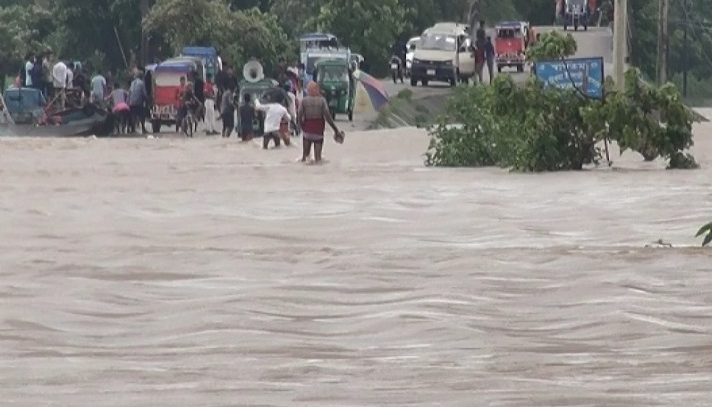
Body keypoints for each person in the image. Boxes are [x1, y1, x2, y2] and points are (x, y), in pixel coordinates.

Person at [297, 82, 342, 164]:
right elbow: (328, 117)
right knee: (318, 159)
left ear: (308, 90)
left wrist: (301, 127)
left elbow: (299, 115)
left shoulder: (304, 101)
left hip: (307, 131)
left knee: (305, 158)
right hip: (318, 131)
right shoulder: (322, 101)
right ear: (316, 89)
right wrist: (336, 130)